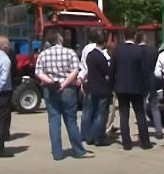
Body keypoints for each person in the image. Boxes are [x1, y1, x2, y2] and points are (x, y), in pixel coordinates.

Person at [36, 30, 94, 160]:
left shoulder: (43, 54)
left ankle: (57, 153)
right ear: (59, 38)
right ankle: (78, 150)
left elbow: (38, 72)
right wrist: (64, 83)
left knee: (54, 121)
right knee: (71, 121)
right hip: (68, 90)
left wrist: (51, 82)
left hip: (51, 89)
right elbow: (75, 71)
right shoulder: (70, 52)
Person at [110, 27, 152, 151]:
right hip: (137, 87)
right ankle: (145, 142)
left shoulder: (117, 50)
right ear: (134, 36)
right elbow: (144, 71)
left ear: (124, 36)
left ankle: (126, 143)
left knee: (124, 115)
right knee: (140, 114)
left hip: (121, 87)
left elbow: (112, 70)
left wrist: (112, 86)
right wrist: (147, 87)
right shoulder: (140, 50)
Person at [82, 30, 112, 146]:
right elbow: (106, 72)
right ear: (104, 43)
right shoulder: (101, 57)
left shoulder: (90, 55)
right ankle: (98, 137)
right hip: (102, 88)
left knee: (89, 112)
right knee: (100, 114)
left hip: (91, 87)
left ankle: (87, 135)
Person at [137, 30, 163, 140]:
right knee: (154, 107)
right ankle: (159, 131)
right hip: (152, 81)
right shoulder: (153, 51)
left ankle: (143, 131)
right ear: (144, 38)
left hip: (139, 82)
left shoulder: (135, 51)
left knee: (141, 109)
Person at [79, 29, 99, 141]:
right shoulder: (98, 49)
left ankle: (84, 133)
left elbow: (83, 65)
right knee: (96, 111)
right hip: (96, 81)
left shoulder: (85, 49)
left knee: (87, 110)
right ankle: (93, 133)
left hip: (86, 80)